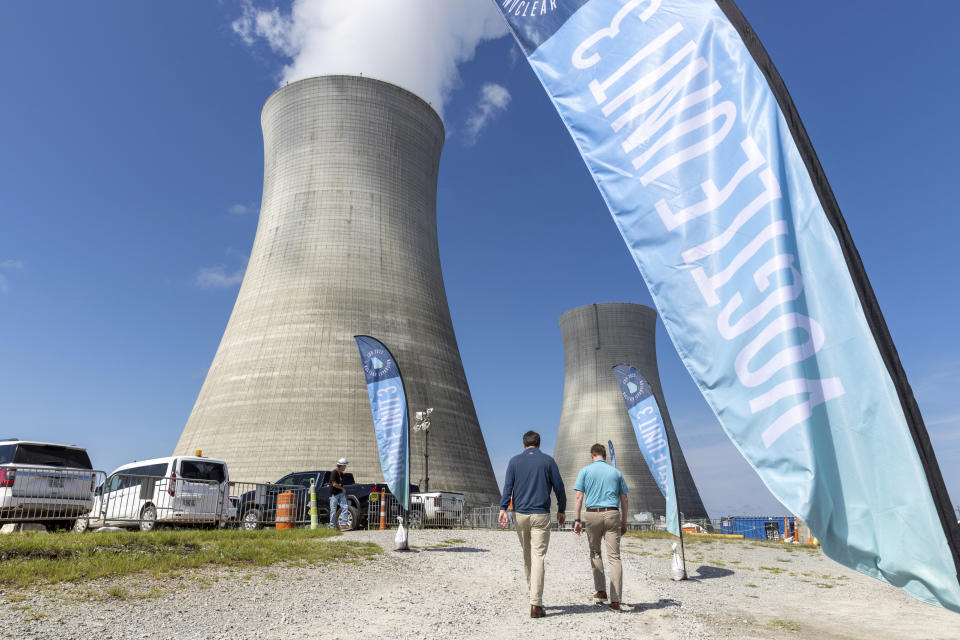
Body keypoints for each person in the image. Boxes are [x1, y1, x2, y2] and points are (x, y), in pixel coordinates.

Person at [498, 430, 566, 619]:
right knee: (538, 556)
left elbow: (507, 487)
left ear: (524, 444)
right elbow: (559, 487)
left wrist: (502, 509)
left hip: (520, 514)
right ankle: (536, 603)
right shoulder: (548, 461)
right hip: (541, 515)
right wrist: (562, 509)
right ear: (539, 443)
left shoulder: (513, 461)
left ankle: (533, 594)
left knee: (527, 554)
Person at [573, 443, 629, 611]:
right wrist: (624, 522)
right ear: (605, 456)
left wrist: (577, 520)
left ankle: (601, 592)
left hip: (593, 514)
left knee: (595, 553)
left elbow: (578, 497)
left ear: (592, 456)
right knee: (614, 557)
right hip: (613, 514)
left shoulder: (585, 471)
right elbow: (624, 499)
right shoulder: (616, 472)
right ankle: (616, 600)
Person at [329, 458, 350, 530]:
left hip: (340, 494)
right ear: (341, 465)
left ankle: (343, 524)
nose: (345, 467)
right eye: (344, 466)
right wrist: (342, 488)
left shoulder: (341, 474)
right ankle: (332, 526)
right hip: (334, 495)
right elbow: (334, 484)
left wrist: (342, 489)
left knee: (345, 507)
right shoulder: (334, 473)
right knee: (333, 511)